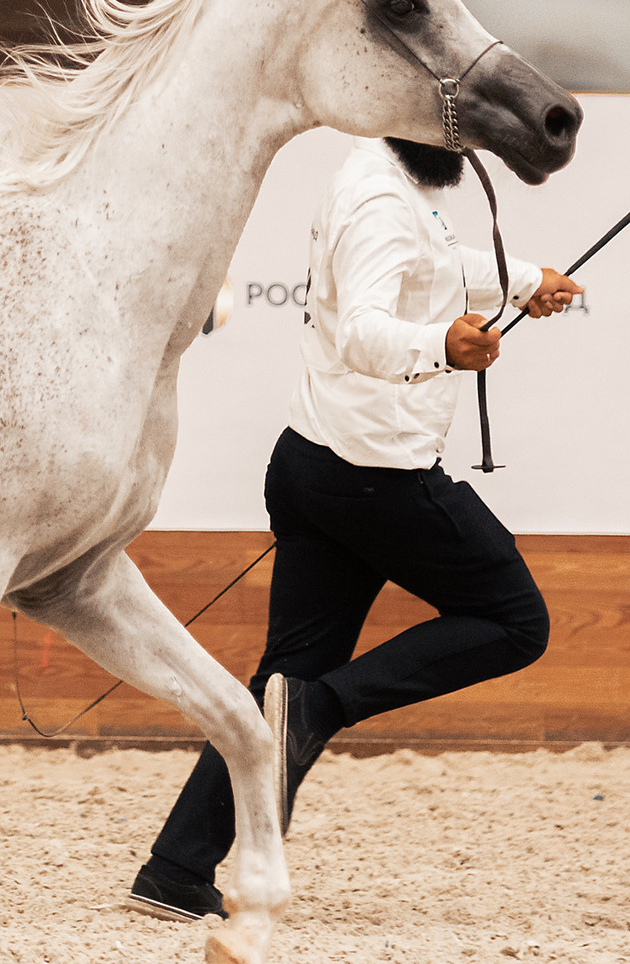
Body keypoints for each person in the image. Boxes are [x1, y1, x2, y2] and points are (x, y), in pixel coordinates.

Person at [124, 134, 582, 924]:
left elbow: (441, 264)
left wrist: (527, 279)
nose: (467, 143)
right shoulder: (378, 201)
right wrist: (442, 344)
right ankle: (321, 708)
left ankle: (175, 869)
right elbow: (364, 331)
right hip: (377, 476)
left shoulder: (388, 180)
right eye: (456, 129)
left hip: (315, 466)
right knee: (515, 621)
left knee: (285, 677)